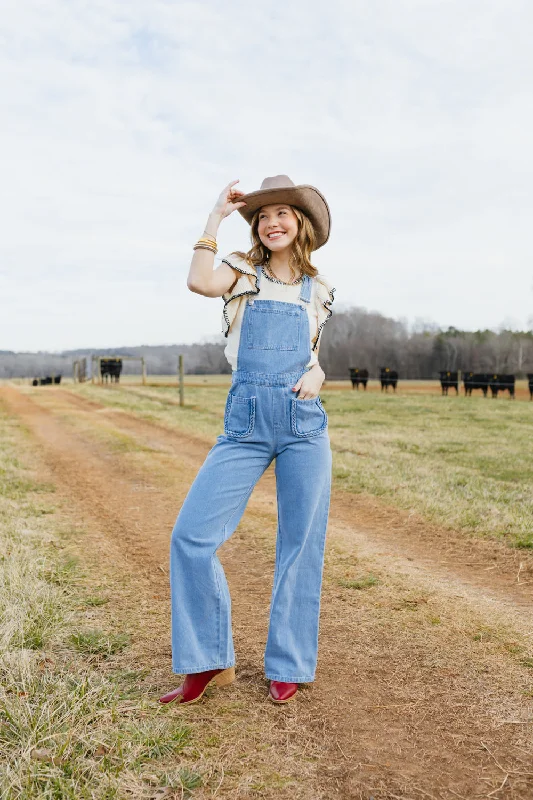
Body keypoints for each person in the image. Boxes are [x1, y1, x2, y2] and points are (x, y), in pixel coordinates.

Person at [159, 175, 335, 706]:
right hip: (246, 422)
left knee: (299, 547)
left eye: (283, 213)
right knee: (190, 537)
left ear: (300, 223)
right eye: (263, 216)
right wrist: (214, 217)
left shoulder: (319, 290)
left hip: (304, 424)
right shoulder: (240, 271)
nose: (272, 222)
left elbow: (315, 356)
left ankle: (289, 663)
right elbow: (197, 282)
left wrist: (320, 376)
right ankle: (209, 662)